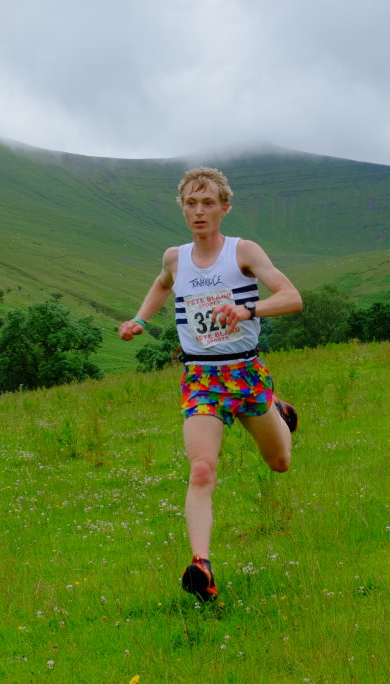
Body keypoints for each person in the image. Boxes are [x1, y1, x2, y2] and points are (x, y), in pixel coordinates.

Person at [118, 166, 302, 602]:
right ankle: (202, 565)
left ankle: (274, 407)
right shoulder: (174, 257)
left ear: (224, 208)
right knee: (201, 469)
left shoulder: (243, 252)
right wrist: (141, 319)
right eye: (190, 203)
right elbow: (163, 285)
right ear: (182, 208)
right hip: (200, 376)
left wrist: (247, 310)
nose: (198, 212)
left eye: (207, 203)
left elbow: (292, 297)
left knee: (279, 464)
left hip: (245, 373)